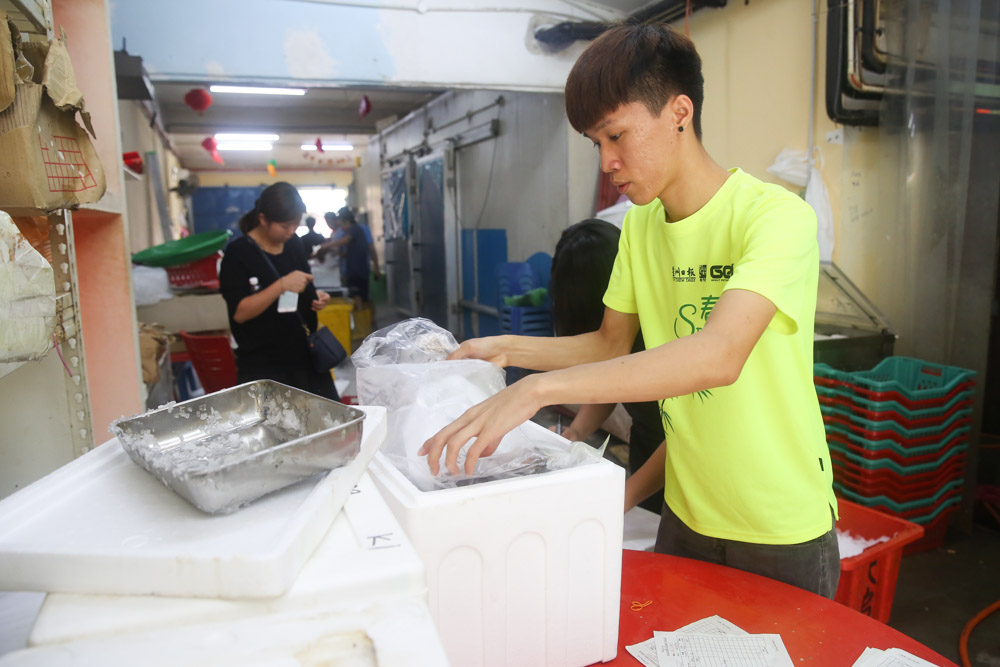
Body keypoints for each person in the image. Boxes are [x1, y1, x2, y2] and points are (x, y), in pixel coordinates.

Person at [419, 22, 839, 597]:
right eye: (597, 143)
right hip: (687, 514)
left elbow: (719, 355)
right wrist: (504, 351)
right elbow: (608, 344)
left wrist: (536, 390)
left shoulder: (775, 218)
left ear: (679, 113)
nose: (607, 161)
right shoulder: (642, 226)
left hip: (780, 525)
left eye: (617, 136)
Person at [548, 219, 664, 514]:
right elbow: (611, 381)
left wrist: (623, 498)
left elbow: (686, 439)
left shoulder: (660, 337)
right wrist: (575, 433)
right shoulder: (618, 335)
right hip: (645, 451)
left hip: (684, 470)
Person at [218, 182, 338, 401]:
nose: (291, 231)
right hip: (264, 366)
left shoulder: (294, 245)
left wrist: (316, 297)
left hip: (304, 359)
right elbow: (240, 313)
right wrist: (281, 285)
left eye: (295, 225)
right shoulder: (238, 254)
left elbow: (302, 286)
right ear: (263, 219)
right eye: (285, 226)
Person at [317, 207, 371, 310]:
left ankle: (362, 320)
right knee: (356, 295)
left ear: (346, 221)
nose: (341, 228)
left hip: (358, 270)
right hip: (353, 269)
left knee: (358, 295)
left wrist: (327, 246)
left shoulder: (354, 229)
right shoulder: (352, 230)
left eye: (341, 224)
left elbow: (345, 240)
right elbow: (345, 252)